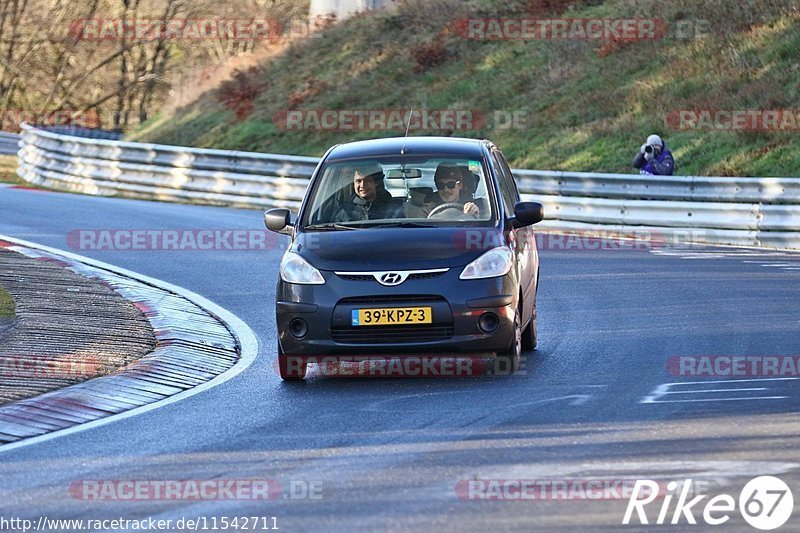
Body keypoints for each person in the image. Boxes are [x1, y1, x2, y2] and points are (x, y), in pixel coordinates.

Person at [332, 162, 404, 222]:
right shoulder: (344, 212)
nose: (362, 185)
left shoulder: (394, 210)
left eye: (368, 181)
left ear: (376, 183)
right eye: (358, 181)